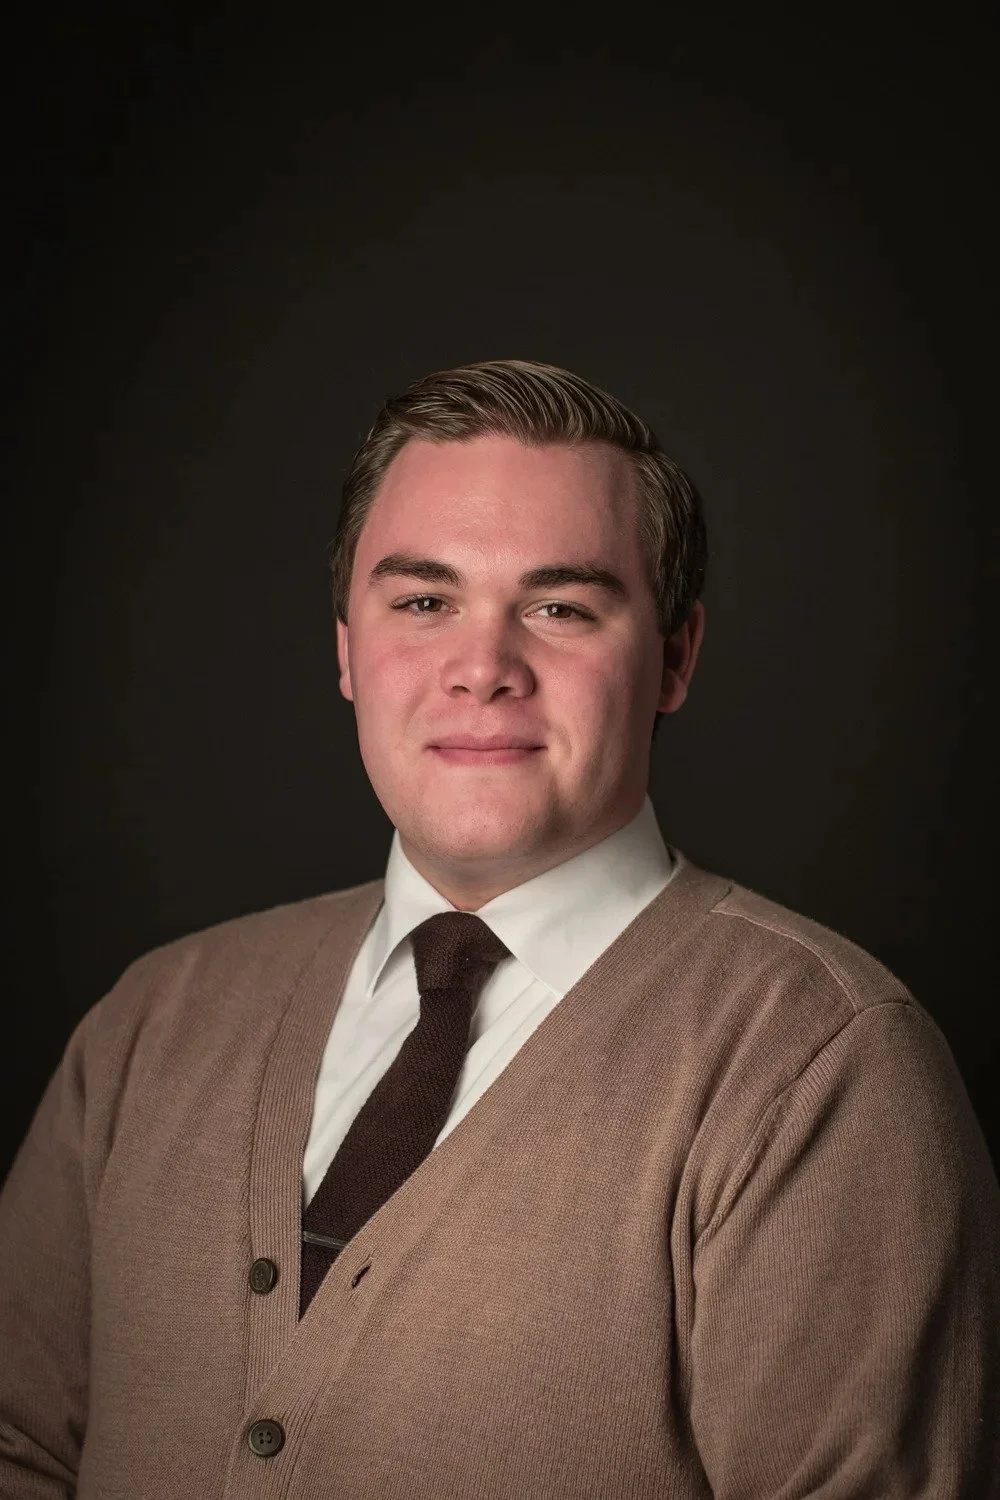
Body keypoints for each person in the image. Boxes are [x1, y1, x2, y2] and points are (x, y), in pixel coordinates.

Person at [1, 359, 997, 1499]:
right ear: (346, 648)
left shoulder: (822, 1067)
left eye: (560, 608)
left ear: (674, 658)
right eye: (424, 603)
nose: (482, 670)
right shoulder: (153, 1020)